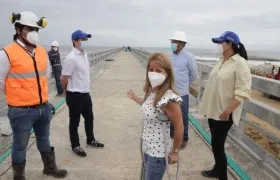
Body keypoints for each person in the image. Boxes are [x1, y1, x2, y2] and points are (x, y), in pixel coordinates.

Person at [0, 11, 67, 179]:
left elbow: (46, 76)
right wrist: (16, 100)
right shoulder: (6, 53)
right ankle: (19, 176)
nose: (33, 32)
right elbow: (0, 82)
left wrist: (44, 101)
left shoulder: (42, 52)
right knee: (20, 146)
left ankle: (50, 168)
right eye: (29, 28)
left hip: (43, 108)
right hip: (20, 111)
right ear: (18, 29)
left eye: (36, 29)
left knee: (44, 140)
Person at [199, 31, 252, 180]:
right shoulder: (222, 60)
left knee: (218, 145)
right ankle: (217, 169)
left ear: (229, 44)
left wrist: (227, 111)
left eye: (220, 42)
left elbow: (243, 92)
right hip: (213, 109)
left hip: (224, 112)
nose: (218, 45)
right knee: (215, 143)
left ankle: (222, 176)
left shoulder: (240, 63)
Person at [127, 53, 184, 180]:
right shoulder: (152, 91)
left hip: (158, 154)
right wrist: (135, 98)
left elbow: (179, 127)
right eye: (151, 69)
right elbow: (150, 107)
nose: (153, 73)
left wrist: (175, 152)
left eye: (158, 70)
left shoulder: (170, 99)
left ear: (167, 73)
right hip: (146, 148)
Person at [61, 30, 104, 158]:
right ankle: (75, 145)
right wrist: (66, 89)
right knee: (74, 121)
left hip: (85, 93)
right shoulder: (71, 58)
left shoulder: (83, 54)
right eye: (82, 39)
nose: (85, 42)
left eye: (86, 40)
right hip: (74, 95)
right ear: (75, 41)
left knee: (89, 118)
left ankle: (90, 140)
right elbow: (64, 77)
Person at [169, 31, 198, 148]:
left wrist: (184, 84)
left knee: (183, 116)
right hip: (170, 91)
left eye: (174, 42)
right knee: (170, 113)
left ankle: (184, 137)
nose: (172, 44)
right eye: (172, 42)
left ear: (182, 44)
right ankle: (171, 133)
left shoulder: (189, 57)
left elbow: (193, 75)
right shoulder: (170, 55)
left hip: (182, 93)